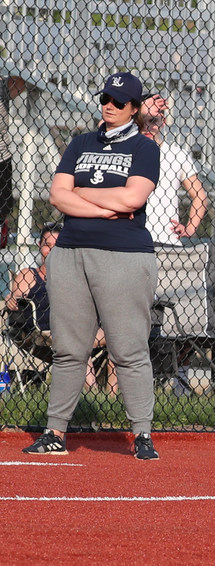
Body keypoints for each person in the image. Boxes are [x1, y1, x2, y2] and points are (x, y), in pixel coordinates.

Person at [22, 71, 160, 459]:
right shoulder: (81, 143)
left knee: (128, 348)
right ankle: (54, 433)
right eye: (106, 99)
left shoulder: (145, 147)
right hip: (69, 253)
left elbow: (133, 199)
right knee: (69, 349)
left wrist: (82, 193)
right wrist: (101, 206)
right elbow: (58, 196)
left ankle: (142, 435)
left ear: (134, 109)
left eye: (119, 102)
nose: (109, 106)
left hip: (125, 256)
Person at [4, 222, 116, 392]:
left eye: (58, 246)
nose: (52, 251)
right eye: (47, 245)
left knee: (118, 339)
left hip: (79, 330)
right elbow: (16, 296)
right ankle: (95, 396)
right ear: (40, 247)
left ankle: (111, 398)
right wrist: (11, 297)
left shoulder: (74, 278)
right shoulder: (30, 274)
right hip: (42, 333)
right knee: (77, 343)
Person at [140, 107, 209, 245]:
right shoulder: (126, 151)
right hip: (131, 238)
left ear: (163, 121)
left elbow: (200, 197)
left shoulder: (177, 154)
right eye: (141, 120)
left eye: (153, 120)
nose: (147, 126)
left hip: (166, 238)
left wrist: (190, 228)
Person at [1, 74, 27, 245]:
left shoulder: (2, 84)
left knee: (2, 208)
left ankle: (2, 226)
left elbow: (20, 83)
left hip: (0, 156)